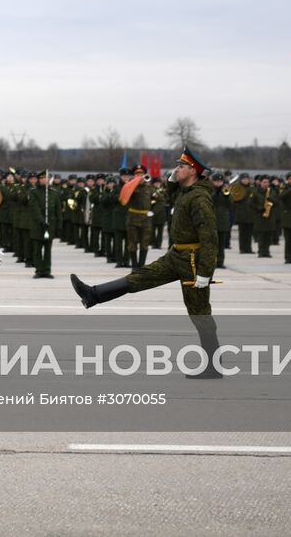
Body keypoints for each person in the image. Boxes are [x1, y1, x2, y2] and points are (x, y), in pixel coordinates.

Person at [69, 147, 222, 379]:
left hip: (192, 260)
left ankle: (213, 366)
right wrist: (171, 181)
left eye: (181, 166)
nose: (176, 169)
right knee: (141, 276)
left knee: (199, 312)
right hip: (177, 255)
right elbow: (167, 198)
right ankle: (94, 295)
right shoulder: (186, 192)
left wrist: (205, 272)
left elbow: (209, 236)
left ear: (193, 170)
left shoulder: (199, 198)